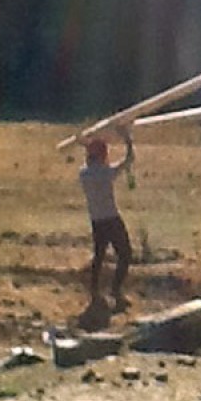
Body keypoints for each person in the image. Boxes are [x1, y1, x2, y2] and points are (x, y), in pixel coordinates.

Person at [79, 128, 134, 310]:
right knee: (125, 254)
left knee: (99, 257)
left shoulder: (84, 174)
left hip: (96, 221)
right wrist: (128, 140)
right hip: (111, 219)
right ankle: (115, 291)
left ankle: (95, 292)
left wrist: (86, 145)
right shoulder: (105, 172)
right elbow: (129, 160)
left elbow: (89, 162)